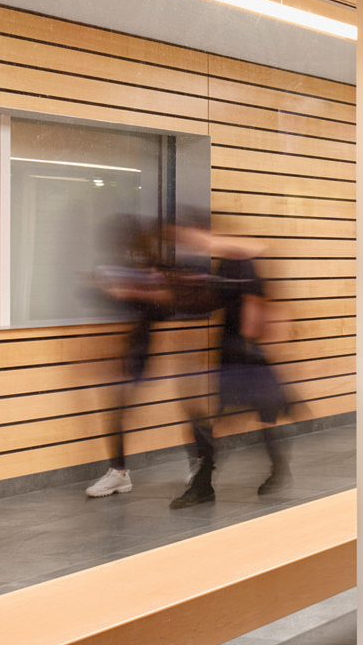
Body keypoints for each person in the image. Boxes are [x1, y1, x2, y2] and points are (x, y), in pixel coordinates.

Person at [168, 213, 294, 509]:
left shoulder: (241, 260)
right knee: (254, 419)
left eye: (192, 236)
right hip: (236, 354)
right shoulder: (226, 264)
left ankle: (205, 485)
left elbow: (255, 305)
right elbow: (216, 302)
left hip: (244, 357)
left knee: (233, 422)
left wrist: (248, 348)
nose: (191, 244)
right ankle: (274, 470)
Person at [85, 216, 170, 498]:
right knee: (116, 410)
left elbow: (163, 306)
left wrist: (127, 291)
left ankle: (120, 472)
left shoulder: (151, 268)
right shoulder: (112, 265)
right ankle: (119, 472)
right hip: (117, 346)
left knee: (119, 409)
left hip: (137, 347)